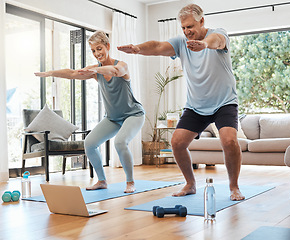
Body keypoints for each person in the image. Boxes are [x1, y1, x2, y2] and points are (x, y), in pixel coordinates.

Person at [118, 4, 245, 201]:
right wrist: (138, 49)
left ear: (202, 21)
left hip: (224, 102)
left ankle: (234, 186)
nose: (187, 32)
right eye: (183, 28)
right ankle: (190, 184)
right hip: (196, 106)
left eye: (190, 27)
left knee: (229, 140)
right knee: (177, 143)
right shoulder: (181, 42)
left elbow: (216, 41)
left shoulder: (218, 34)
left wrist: (204, 45)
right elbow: (158, 46)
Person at [35, 31, 145, 193]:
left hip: (133, 115)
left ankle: (130, 182)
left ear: (107, 46)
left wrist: (95, 70)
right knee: (90, 143)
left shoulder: (122, 65)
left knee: (120, 142)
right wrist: (51, 73)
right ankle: (101, 180)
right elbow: (73, 73)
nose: (97, 54)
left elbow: (116, 71)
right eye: (93, 51)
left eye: (99, 49)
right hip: (113, 118)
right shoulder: (95, 70)